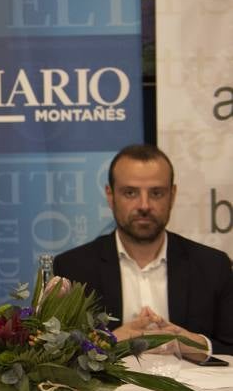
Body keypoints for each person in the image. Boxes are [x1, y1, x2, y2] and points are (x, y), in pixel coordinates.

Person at [54, 143, 232, 358]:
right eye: (130, 193)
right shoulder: (74, 268)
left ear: (173, 195)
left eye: (156, 193)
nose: (144, 205)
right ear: (110, 196)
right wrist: (111, 341)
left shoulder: (213, 265)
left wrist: (194, 344)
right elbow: (57, 356)